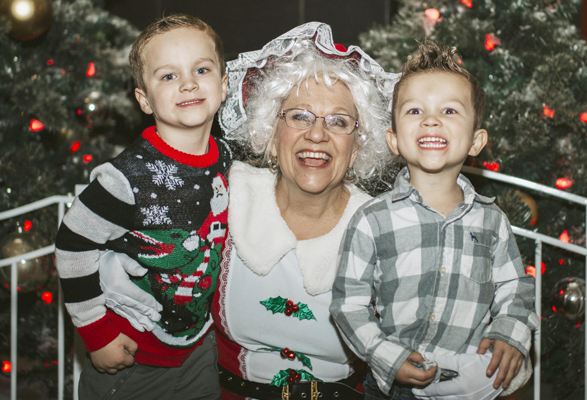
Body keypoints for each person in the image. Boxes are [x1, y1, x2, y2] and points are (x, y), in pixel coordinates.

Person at [99, 22, 400, 400]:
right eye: (299, 116)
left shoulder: (386, 226)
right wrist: (103, 310)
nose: (317, 135)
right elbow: (124, 242)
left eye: (338, 122)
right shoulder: (225, 194)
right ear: (271, 137)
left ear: (356, 147)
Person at [329, 40, 540, 400]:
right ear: (394, 140)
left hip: (472, 382)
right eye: (414, 111)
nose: (431, 120)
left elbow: (515, 290)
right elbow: (348, 304)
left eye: (449, 111)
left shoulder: (492, 221)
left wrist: (510, 333)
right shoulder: (372, 220)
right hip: (394, 387)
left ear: (476, 141)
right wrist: (386, 355)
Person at [54, 14, 231, 399]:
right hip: (132, 361)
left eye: (201, 69)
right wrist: (96, 333)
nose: (188, 83)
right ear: (143, 100)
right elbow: (72, 246)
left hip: (200, 351)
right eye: (168, 76)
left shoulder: (229, 161)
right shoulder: (125, 178)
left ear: (224, 83)